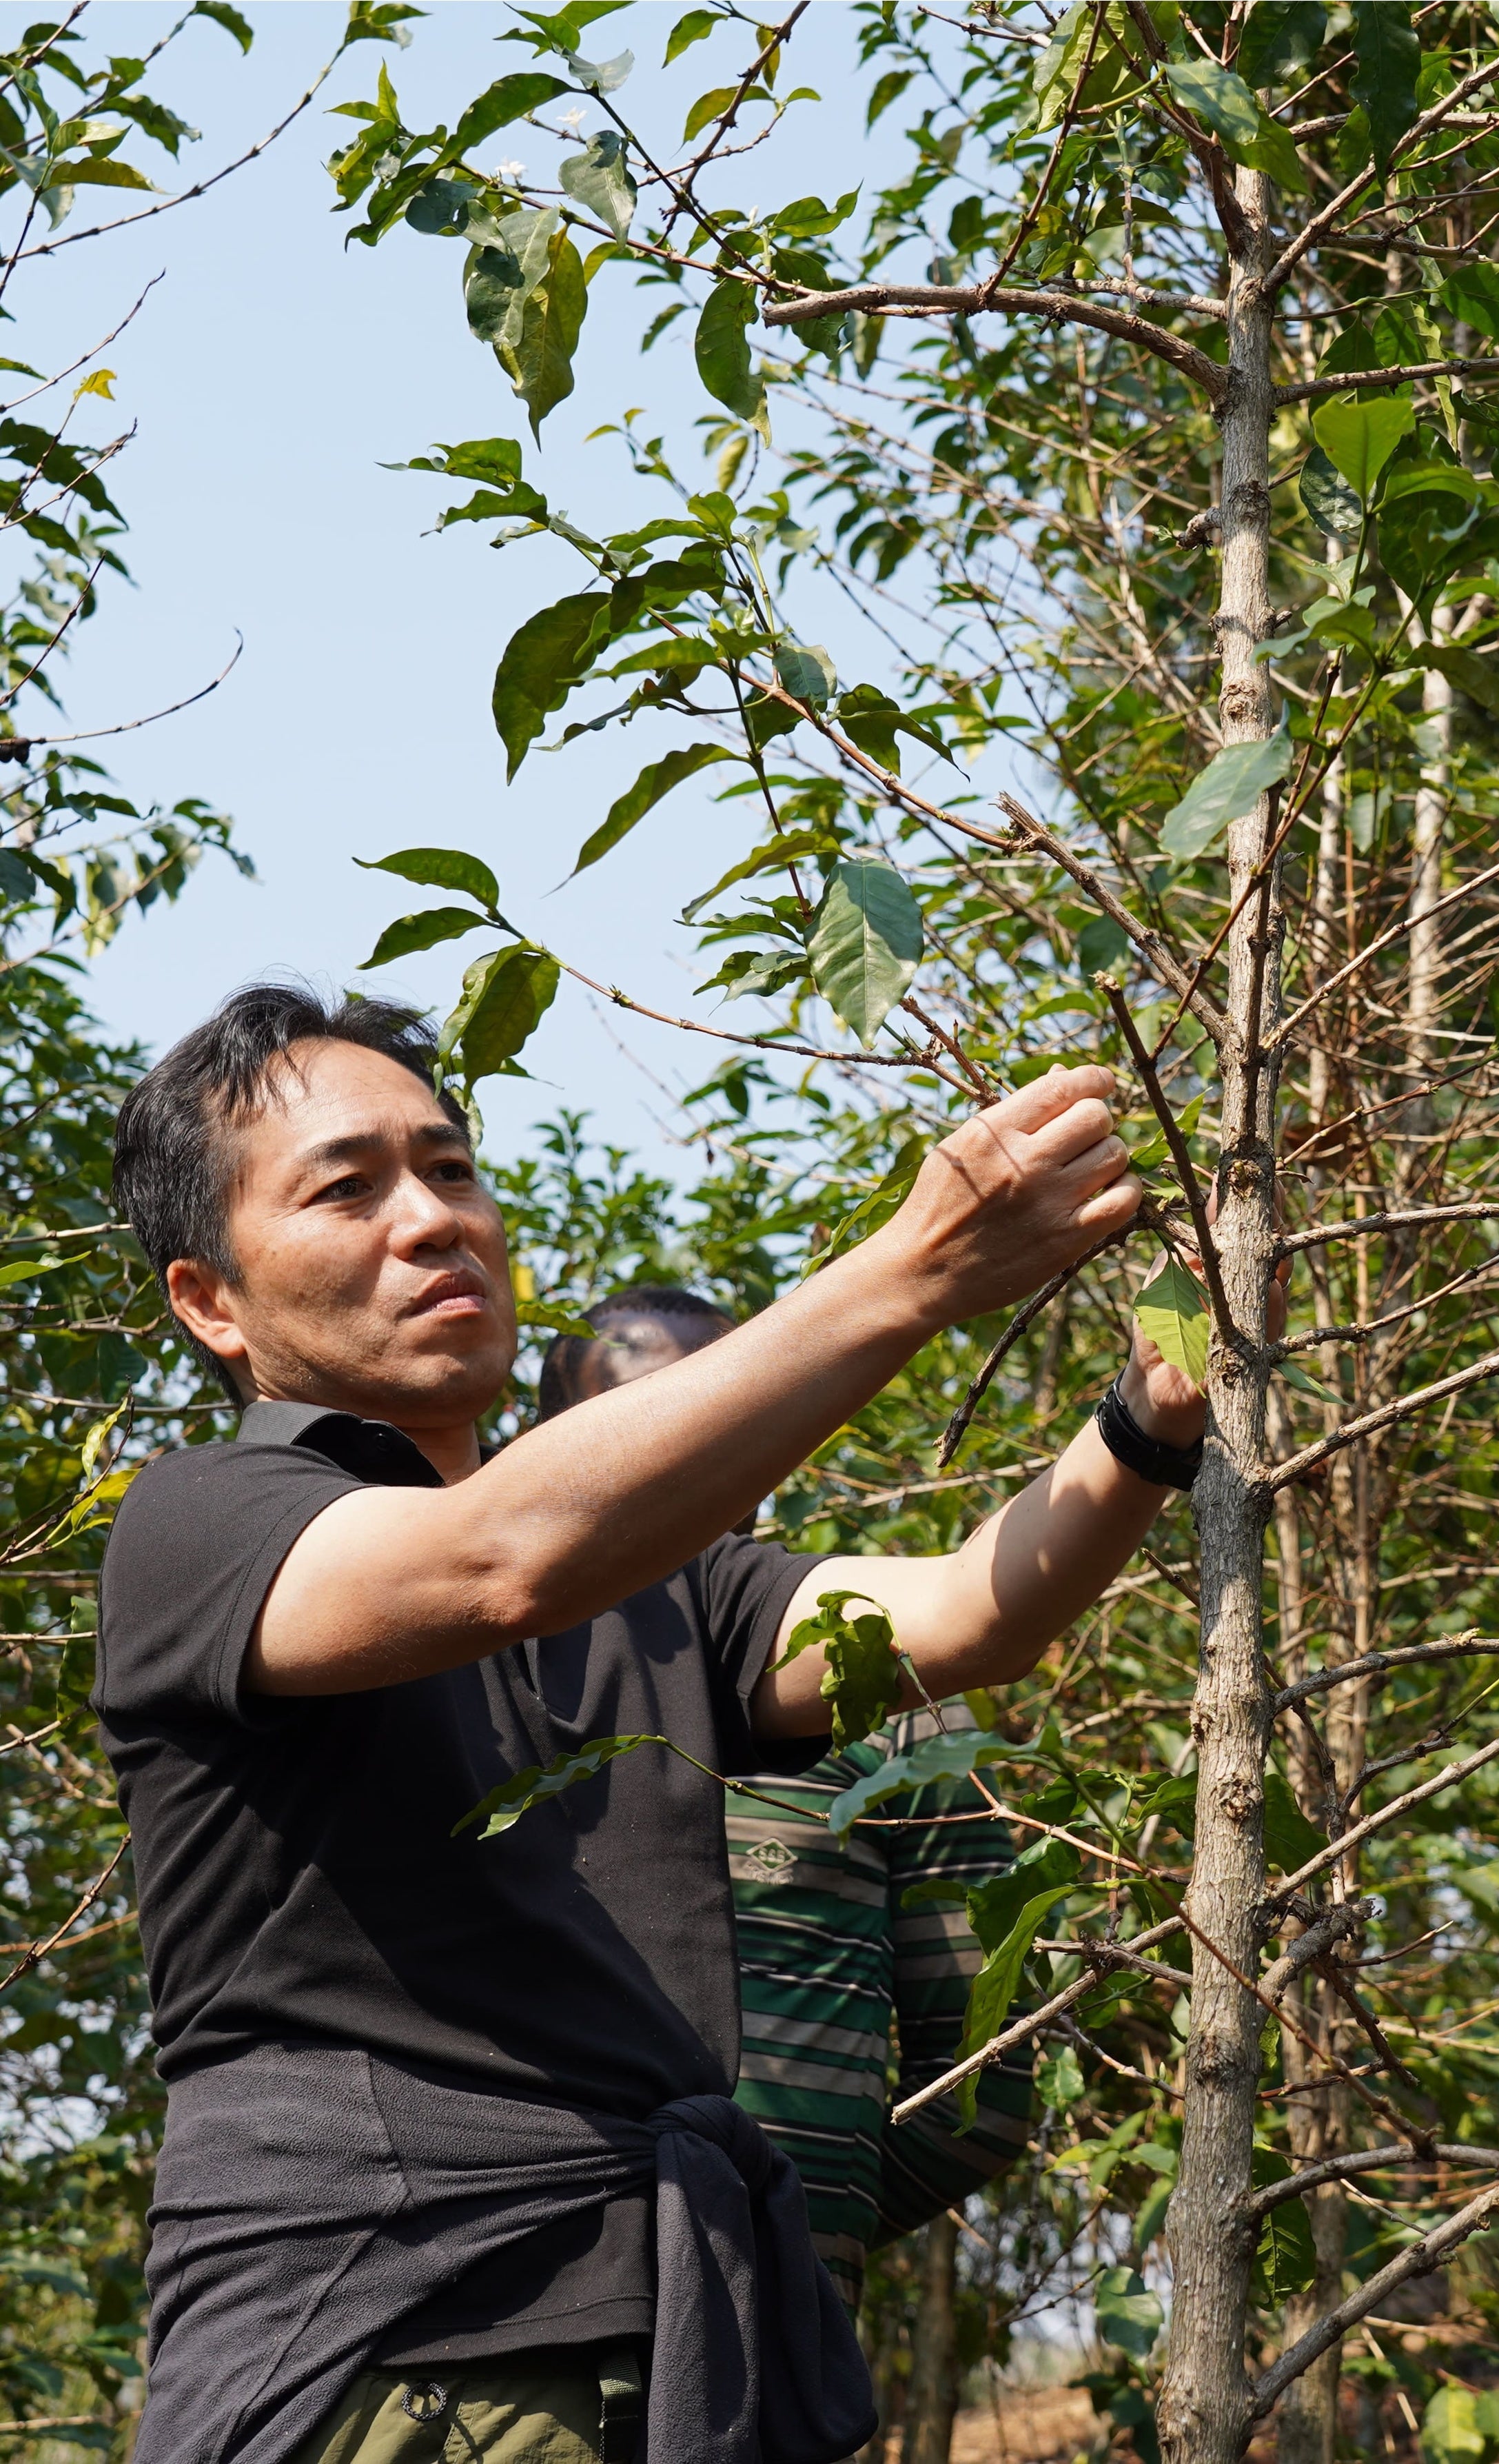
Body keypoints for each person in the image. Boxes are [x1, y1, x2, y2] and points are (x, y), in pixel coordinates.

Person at [94, 985, 1210, 2464]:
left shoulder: (665, 1583)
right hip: (386, 2350)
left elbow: (967, 1613)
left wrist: (1149, 1413)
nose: (431, 1218)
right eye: (347, 1186)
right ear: (209, 1300)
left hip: (671, 2342)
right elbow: (499, 1561)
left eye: (450, 1166)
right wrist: (908, 1270)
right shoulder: (201, 1523)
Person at [540, 1288, 1037, 2309]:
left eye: (717, 1420)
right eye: (632, 1426)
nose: (674, 1458)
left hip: (778, 2330)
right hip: (505, 2313)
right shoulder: (474, 1679)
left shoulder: (894, 1712)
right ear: (544, 1446)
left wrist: (795, 2223)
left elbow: (979, 2090)